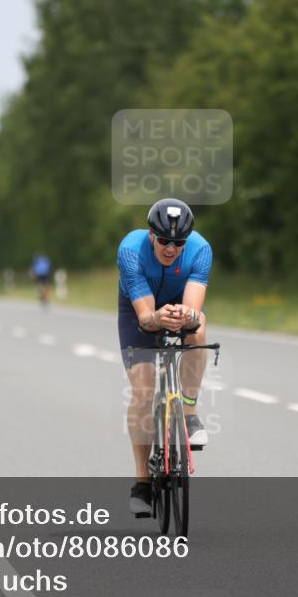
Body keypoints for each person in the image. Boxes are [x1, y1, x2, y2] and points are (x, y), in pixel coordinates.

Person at [117, 198, 212, 517]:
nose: (171, 248)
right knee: (143, 390)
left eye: (179, 243)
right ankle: (142, 482)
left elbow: (194, 309)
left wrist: (187, 317)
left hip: (177, 302)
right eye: (164, 240)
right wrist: (157, 319)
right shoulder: (131, 249)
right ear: (150, 235)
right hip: (138, 308)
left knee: (198, 331)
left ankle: (189, 410)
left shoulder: (200, 250)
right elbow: (145, 318)